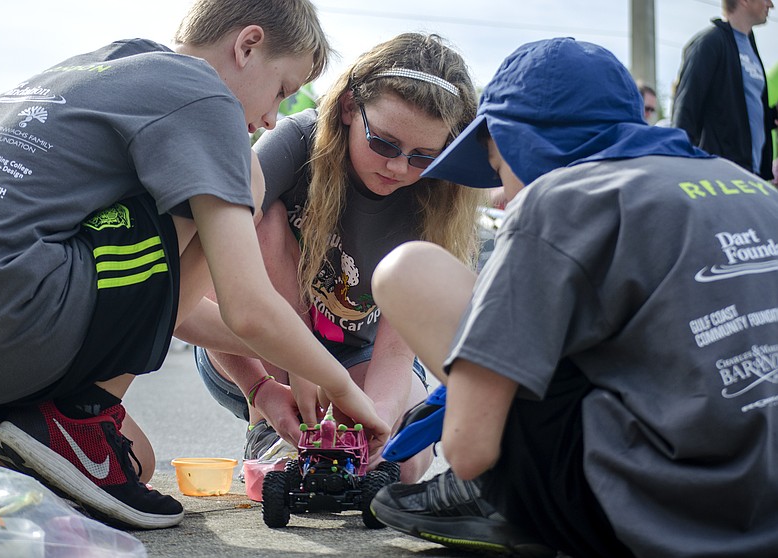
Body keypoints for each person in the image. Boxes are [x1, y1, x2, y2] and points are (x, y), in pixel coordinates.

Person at [0, 0, 391, 531]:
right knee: (246, 176)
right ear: (248, 45)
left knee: (136, 460)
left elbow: (159, 305)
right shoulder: (204, 95)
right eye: (282, 90)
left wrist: (281, 374)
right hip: (11, 313)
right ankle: (84, 417)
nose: (271, 119)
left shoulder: (101, 68)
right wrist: (340, 385)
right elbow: (246, 306)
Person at [368, 37, 778, 558]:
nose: (500, 196)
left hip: (657, 515)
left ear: (525, 143)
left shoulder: (560, 197)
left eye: (498, 167)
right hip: (765, 510)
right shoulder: (749, 186)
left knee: (409, 268)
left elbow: (468, 451)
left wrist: (478, 389)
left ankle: (504, 506)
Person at [185, 33, 482, 482]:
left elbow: (396, 354)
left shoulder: (435, 197)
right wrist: (263, 387)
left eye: (424, 156)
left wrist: (377, 424)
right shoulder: (296, 142)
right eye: (383, 143)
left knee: (401, 465)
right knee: (259, 221)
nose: (399, 168)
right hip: (259, 355)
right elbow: (204, 278)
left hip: (359, 357)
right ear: (348, 108)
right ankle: (266, 427)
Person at [671, 0, 777, 180]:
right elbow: (685, 112)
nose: (771, 4)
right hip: (720, 176)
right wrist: (682, 171)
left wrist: (771, 116)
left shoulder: (750, 45)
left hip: (752, 175)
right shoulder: (709, 43)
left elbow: (738, 112)